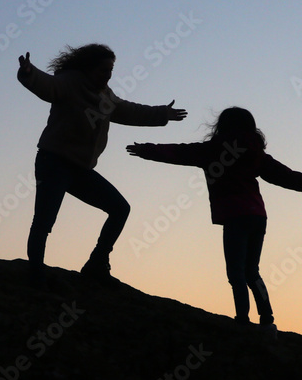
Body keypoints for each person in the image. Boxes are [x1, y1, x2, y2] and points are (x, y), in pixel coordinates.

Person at [126, 107, 302, 336]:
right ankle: (267, 322)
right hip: (257, 216)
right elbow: (284, 174)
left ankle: (242, 321)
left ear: (221, 126)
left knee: (236, 272)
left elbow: (178, 152)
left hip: (235, 215)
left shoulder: (212, 150)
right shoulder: (255, 152)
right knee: (252, 271)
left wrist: (145, 150)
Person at [17, 43, 186, 285]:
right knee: (43, 221)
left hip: (80, 169)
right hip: (53, 162)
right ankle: (35, 274)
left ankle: (97, 262)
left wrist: (161, 114)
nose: (108, 75)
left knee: (120, 209)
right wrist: (28, 73)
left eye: (111, 70)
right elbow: (48, 86)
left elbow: (127, 111)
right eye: (104, 70)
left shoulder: (105, 95)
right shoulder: (70, 82)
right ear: (88, 68)